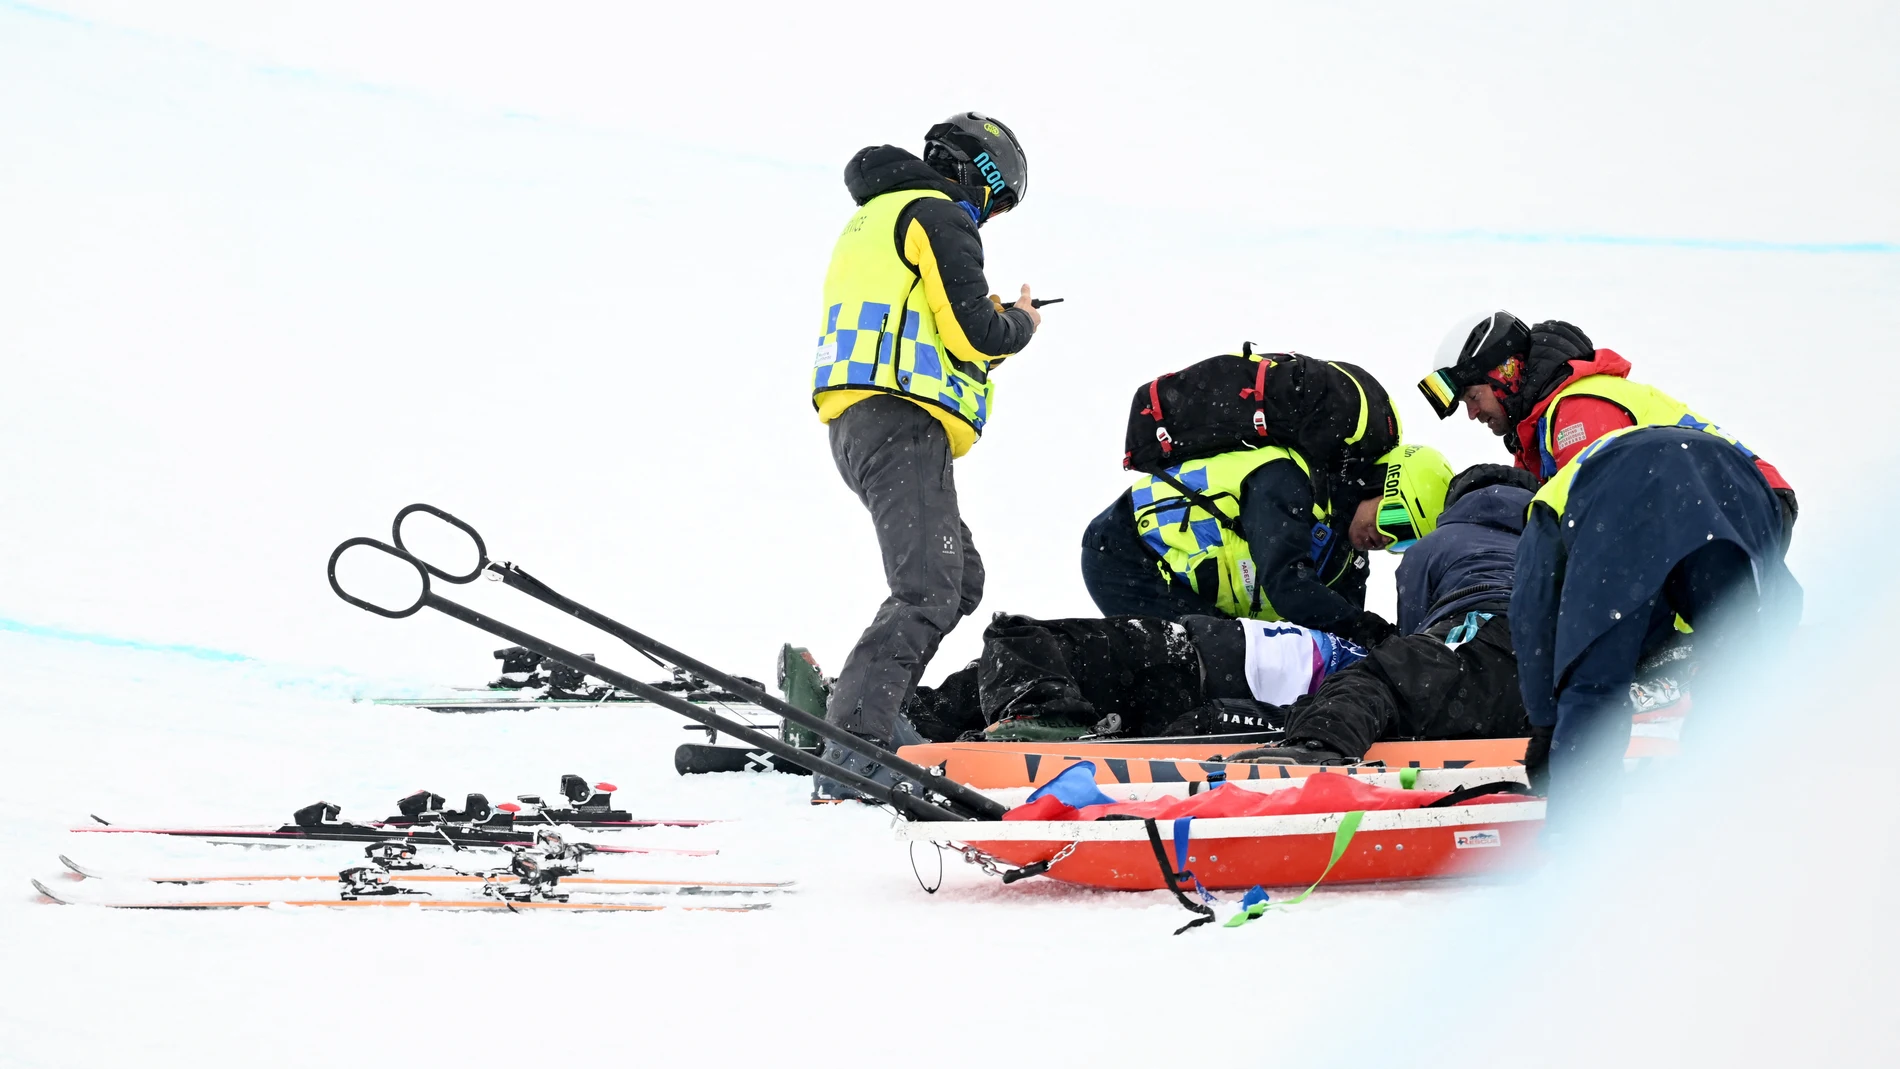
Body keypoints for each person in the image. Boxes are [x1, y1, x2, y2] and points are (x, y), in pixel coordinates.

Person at [809, 112, 1045, 801]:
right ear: (983, 176)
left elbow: (919, 322)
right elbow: (976, 333)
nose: (989, 218)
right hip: (899, 421)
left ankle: (876, 715)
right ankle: (856, 740)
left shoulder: (876, 216)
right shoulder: (938, 214)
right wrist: (1021, 323)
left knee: (959, 578)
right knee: (929, 588)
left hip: (863, 421)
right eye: (996, 204)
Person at [1511, 425, 1800, 823]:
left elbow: (1532, 619)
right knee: (1739, 671)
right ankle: (1738, 819)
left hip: (1626, 488)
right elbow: (1782, 603)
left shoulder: (1543, 512)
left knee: (1595, 683)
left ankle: (1580, 839)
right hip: (1736, 477)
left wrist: (1545, 726)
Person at [1416, 311, 1798, 545]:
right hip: (1723, 504)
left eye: (1472, 396)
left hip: (1745, 498)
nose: (1472, 413)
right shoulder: (1540, 435)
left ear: (1505, 373)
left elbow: (1600, 519)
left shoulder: (1576, 410)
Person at [1080, 440, 1453, 650]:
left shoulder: (1345, 560)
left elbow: (1342, 636)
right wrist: (1373, 631)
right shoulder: (1286, 478)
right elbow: (1288, 586)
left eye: (1401, 540)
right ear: (1379, 482)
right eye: (1394, 520)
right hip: (1126, 553)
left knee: (1237, 653)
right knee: (1208, 652)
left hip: (1188, 586)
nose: (1384, 538)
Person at [904, 612, 1370, 743]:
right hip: (1190, 673)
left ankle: (1041, 717)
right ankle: (906, 723)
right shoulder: (1372, 664)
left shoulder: (1375, 676)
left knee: (1017, 639)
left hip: (1187, 658)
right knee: (1008, 673)